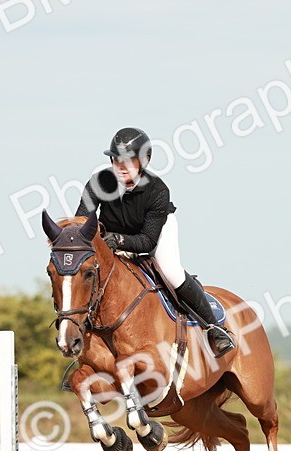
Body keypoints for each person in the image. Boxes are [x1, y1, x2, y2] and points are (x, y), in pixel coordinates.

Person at [76, 127, 235, 357]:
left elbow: (147, 242)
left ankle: (215, 329)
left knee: (171, 271)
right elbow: (83, 223)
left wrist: (118, 240)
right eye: (116, 160)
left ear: (143, 162)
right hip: (112, 236)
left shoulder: (157, 190)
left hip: (153, 233)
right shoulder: (99, 182)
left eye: (129, 161)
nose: (121, 166)